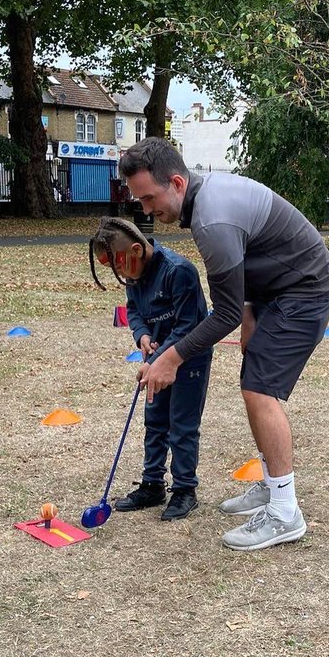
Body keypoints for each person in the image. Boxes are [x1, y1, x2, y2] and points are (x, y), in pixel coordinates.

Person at [119, 138, 329, 553]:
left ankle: (284, 513)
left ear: (177, 183)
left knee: (260, 390)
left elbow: (224, 315)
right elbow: (256, 254)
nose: (146, 210)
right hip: (276, 292)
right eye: (139, 200)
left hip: (304, 291)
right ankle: (271, 485)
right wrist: (252, 310)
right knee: (253, 383)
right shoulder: (205, 199)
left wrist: (171, 358)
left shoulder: (210, 220)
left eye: (149, 198)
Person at [89, 216, 212, 521]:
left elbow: (188, 325)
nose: (121, 276)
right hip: (156, 359)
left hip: (189, 360)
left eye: (119, 266)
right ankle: (152, 484)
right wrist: (142, 334)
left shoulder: (179, 272)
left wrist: (160, 359)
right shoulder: (134, 274)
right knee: (155, 422)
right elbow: (133, 309)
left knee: (182, 425)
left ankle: (185, 490)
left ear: (135, 250)